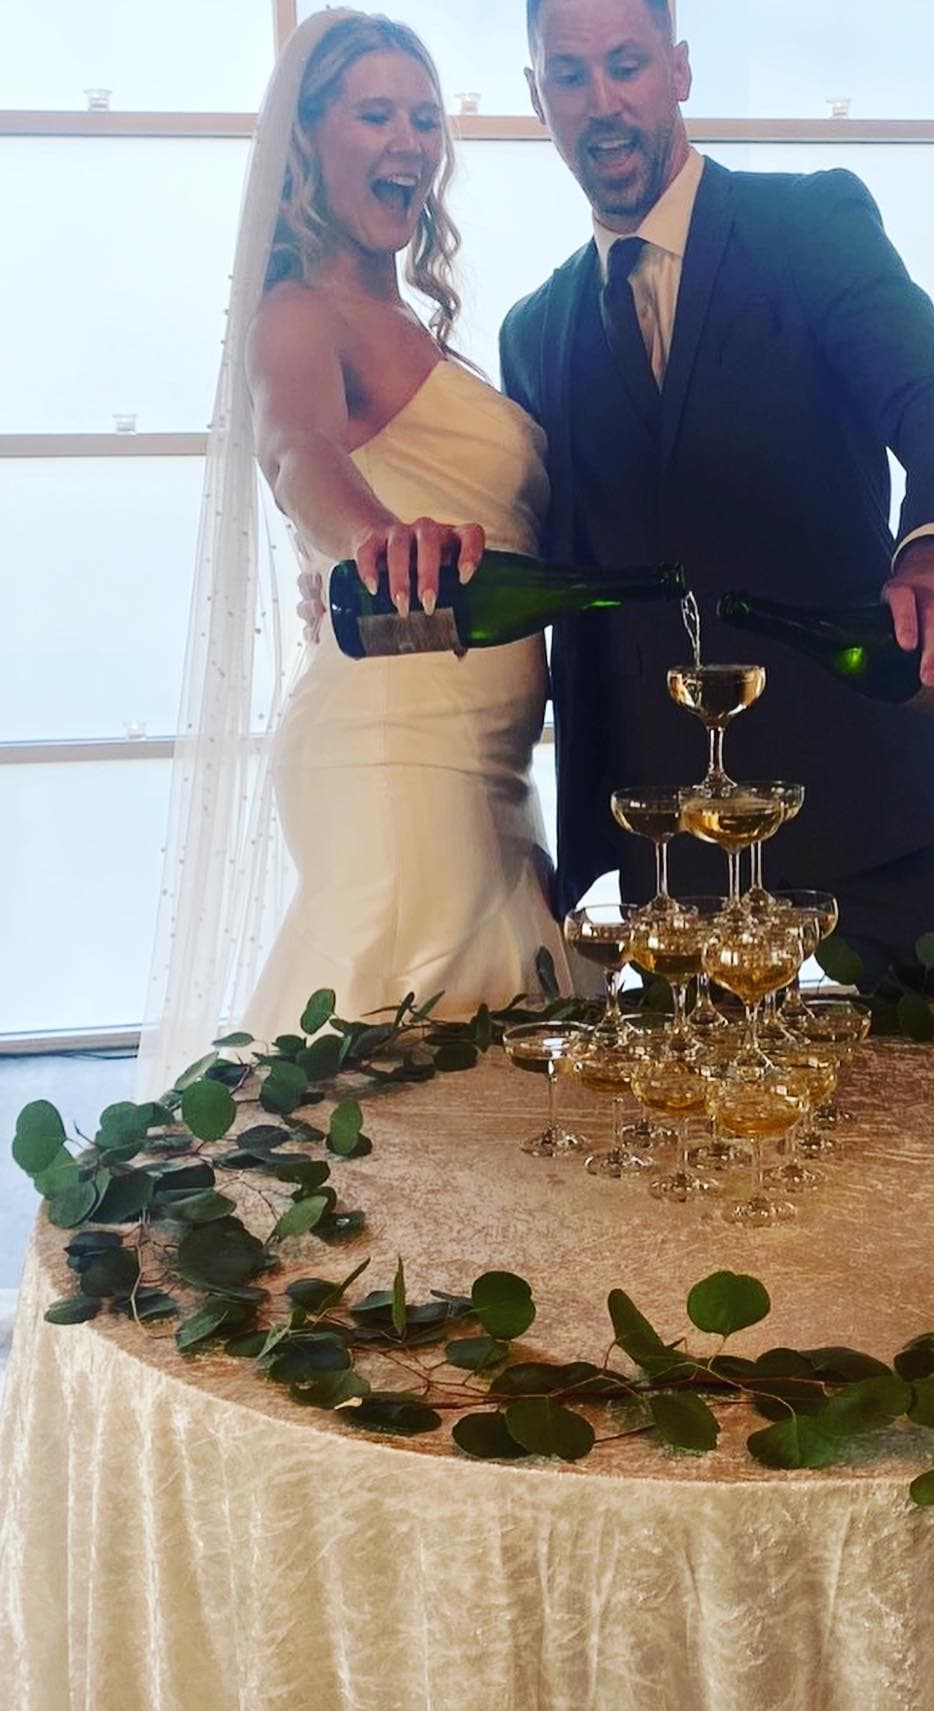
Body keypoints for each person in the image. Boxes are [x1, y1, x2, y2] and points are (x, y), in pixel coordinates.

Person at [502, 0, 934, 997]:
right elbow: (554, 578)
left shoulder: (810, 224)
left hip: (881, 808)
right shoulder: (534, 334)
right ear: (537, 98)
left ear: (679, 71)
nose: (602, 102)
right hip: (677, 856)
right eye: (569, 75)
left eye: (626, 64)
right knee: (698, 1107)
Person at [138, 11, 569, 1092]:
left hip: (493, 774)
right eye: (376, 115)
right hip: (393, 755)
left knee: (481, 1089)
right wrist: (377, 541)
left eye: (424, 119)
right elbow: (300, 454)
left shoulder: (425, 331)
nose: (409, 142)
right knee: (382, 1079)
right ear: (309, 140)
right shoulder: (298, 314)